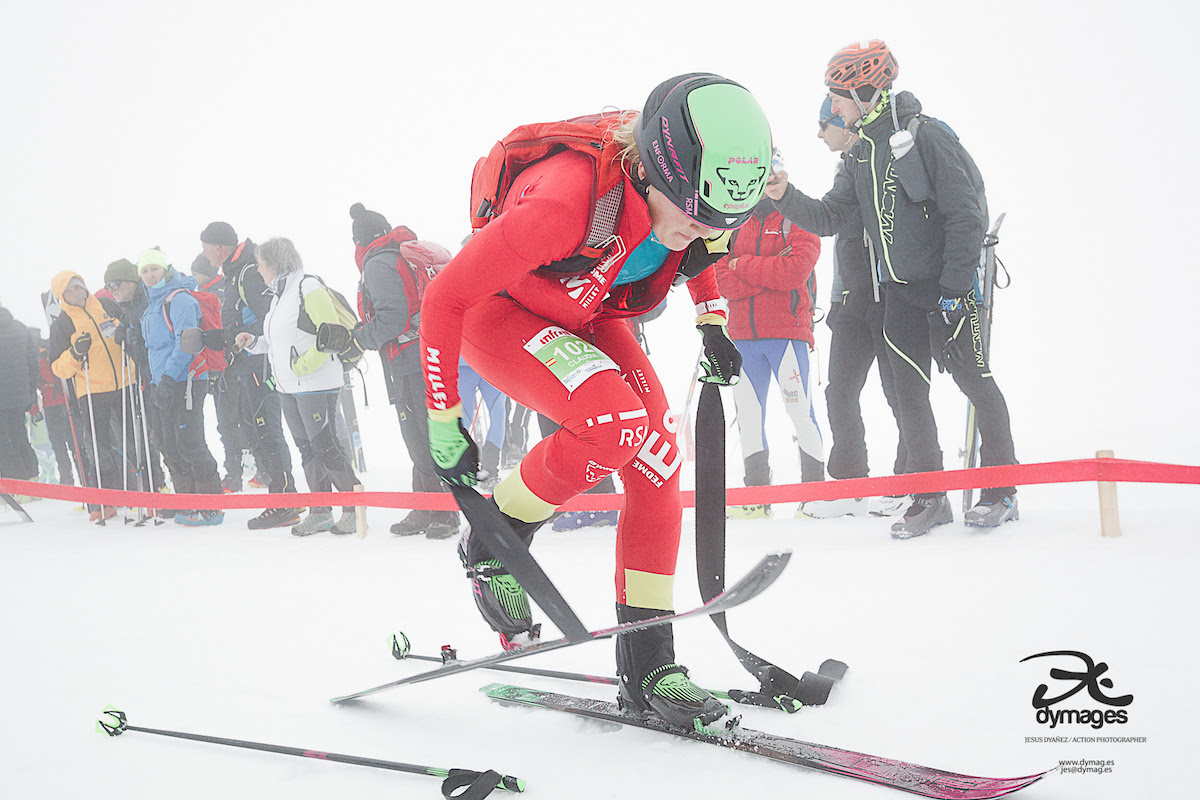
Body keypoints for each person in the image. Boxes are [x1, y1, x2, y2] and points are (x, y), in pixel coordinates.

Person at [420, 73, 771, 729]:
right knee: (612, 423)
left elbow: (703, 253)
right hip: (502, 315)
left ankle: (651, 668)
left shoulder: (688, 196)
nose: (700, 232)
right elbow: (445, 297)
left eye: (717, 221)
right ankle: (492, 539)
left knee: (658, 457)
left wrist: (712, 321)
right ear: (657, 175)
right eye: (692, 217)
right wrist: (445, 416)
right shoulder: (566, 205)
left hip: (585, 308)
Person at [765, 40, 1019, 537]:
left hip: (949, 290)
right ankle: (929, 498)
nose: (832, 107)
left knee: (976, 385)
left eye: (836, 98)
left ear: (863, 92)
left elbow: (967, 215)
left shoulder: (926, 138)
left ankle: (1001, 490)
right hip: (899, 293)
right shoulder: (860, 154)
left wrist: (953, 287)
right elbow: (833, 216)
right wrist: (783, 195)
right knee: (908, 397)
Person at [797, 98, 907, 520]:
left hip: (889, 296)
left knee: (900, 393)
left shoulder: (876, 160)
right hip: (853, 301)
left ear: (845, 122)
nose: (820, 133)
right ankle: (849, 484)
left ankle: (908, 480)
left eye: (824, 123)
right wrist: (839, 299)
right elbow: (842, 238)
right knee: (839, 391)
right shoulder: (846, 166)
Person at [346, 205, 460, 540]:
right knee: (425, 433)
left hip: (407, 361)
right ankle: (425, 507)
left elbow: (392, 320)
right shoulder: (402, 256)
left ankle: (444, 512)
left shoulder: (378, 265)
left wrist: (361, 336)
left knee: (419, 436)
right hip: (427, 352)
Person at [235, 237, 360, 536]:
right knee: (307, 449)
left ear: (276, 264)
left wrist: (303, 365)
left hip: (317, 384)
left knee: (326, 447)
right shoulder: (279, 295)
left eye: (261, 264)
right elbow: (280, 341)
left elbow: (334, 335)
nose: (258, 270)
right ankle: (320, 511)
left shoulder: (308, 287)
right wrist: (254, 343)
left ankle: (355, 508)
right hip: (289, 387)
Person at [713, 190, 824, 520]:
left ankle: (814, 496)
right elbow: (720, 278)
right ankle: (757, 498)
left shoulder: (798, 218)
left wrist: (742, 265)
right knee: (747, 416)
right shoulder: (733, 223)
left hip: (787, 335)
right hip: (743, 337)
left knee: (799, 412)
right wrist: (767, 274)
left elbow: (793, 273)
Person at [200, 222, 300, 529]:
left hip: (259, 365)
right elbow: (242, 325)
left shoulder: (245, 273)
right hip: (250, 363)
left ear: (218, 248)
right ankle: (282, 501)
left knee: (267, 430)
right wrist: (213, 339)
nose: (204, 255)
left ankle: (285, 502)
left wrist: (246, 342)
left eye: (205, 248)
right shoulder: (238, 272)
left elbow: (270, 319)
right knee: (261, 433)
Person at [137, 248, 225, 525]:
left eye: (154, 269)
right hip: (161, 381)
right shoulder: (152, 303)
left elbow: (186, 342)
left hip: (186, 380)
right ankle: (186, 502)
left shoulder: (180, 299)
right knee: (167, 443)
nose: (150, 276)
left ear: (165, 269)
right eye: (144, 271)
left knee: (189, 442)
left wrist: (168, 378)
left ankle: (211, 505)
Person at [47, 270, 138, 522]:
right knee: (99, 446)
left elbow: (128, 330)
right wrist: (75, 353)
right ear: (62, 296)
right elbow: (57, 367)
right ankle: (106, 499)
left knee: (134, 439)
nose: (77, 294)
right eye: (70, 291)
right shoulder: (62, 324)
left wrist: (124, 335)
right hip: (92, 390)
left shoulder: (106, 305)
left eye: (79, 287)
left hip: (125, 382)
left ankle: (145, 491)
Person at [101, 257, 167, 494]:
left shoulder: (144, 304)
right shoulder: (130, 307)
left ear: (131, 281)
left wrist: (130, 338)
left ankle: (183, 494)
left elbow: (153, 345)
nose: (112, 290)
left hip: (163, 381)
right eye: (108, 286)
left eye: (115, 284)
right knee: (160, 438)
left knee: (168, 439)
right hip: (149, 380)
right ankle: (161, 489)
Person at [0, 305, 39, 482]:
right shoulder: (20, 328)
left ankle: (16, 487)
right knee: (19, 436)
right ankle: (32, 477)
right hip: (19, 397)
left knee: (4, 443)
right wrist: (30, 393)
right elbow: (33, 365)